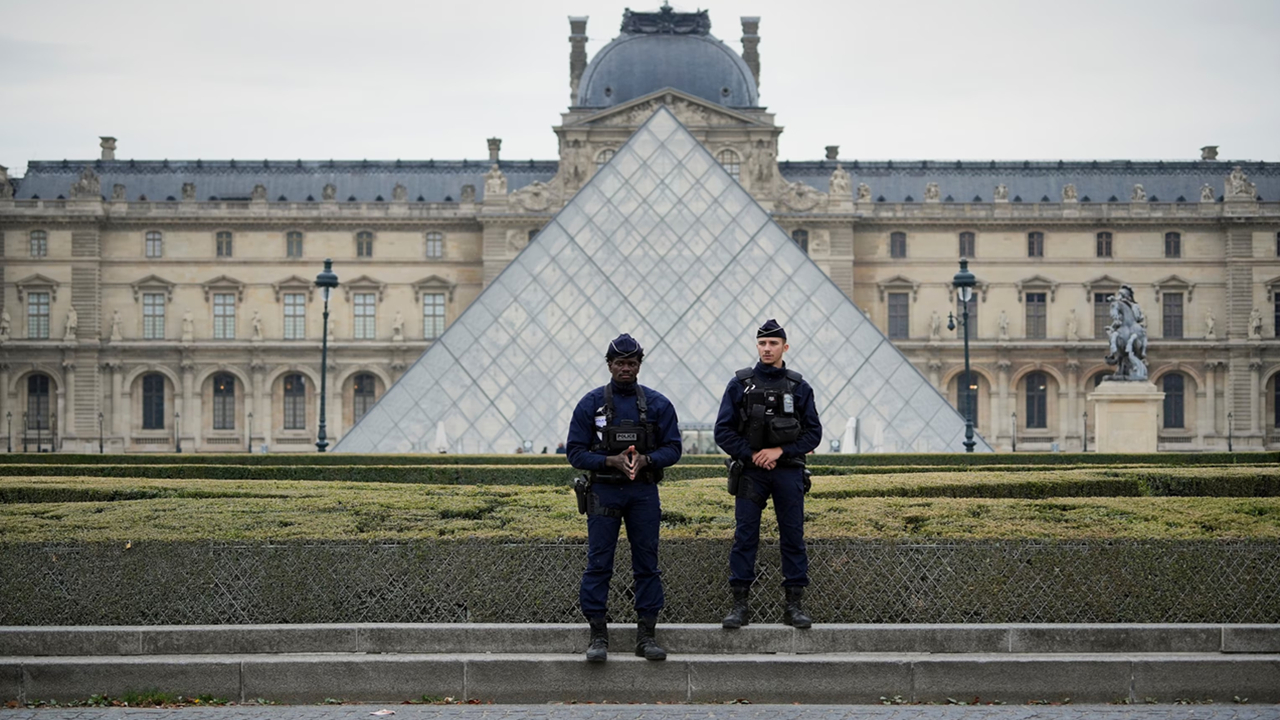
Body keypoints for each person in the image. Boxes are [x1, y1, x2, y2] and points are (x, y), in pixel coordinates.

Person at [566, 334, 682, 663]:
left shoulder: (659, 404)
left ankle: (646, 635)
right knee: (598, 563)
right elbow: (574, 452)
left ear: (639, 365)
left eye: (632, 363)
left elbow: (674, 448)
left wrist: (647, 460)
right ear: (609, 365)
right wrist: (609, 461)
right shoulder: (590, 405)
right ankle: (598, 634)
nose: (626, 369)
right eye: (620, 363)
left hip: (643, 491)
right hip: (603, 490)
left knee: (647, 564)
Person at [714, 319, 822, 630]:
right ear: (756, 345)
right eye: (762, 343)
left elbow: (813, 434)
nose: (767, 348)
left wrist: (779, 452)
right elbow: (723, 432)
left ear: (784, 347)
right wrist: (752, 455)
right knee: (745, 537)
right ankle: (739, 605)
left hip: (787, 472)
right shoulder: (739, 385)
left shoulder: (799, 387)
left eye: (773, 343)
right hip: (751, 473)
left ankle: (794, 606)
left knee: (793, 537)